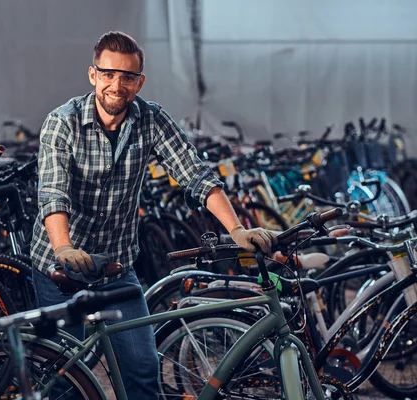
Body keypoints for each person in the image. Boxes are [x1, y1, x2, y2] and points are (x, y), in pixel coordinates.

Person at [30, 31, 275, 399]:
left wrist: (237, 230)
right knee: (67, 380)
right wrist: (64, 247)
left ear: (139, 81)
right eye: (108, 74)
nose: (117, 84)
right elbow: (53, 192)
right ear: (93, 75)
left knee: (143, 374)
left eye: (127, 76)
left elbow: (195, 173)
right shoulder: (62, 122)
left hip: (116, 268)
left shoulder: (151, 120)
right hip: (60, 268)